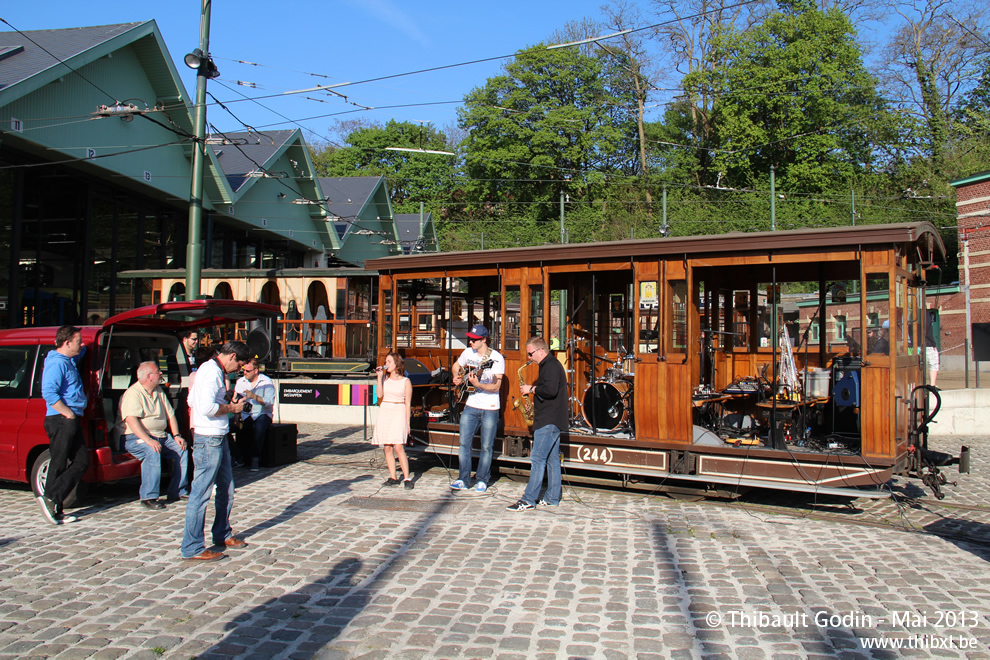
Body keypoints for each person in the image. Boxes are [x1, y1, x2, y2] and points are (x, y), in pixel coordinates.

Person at [181, 340, 250, 562]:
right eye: (239, 365)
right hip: (208, 437)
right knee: (200, 494)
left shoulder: (214, 370)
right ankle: (192, 546)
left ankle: (222, 533)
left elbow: (193, 399)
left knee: (227, 489)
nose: (238, 370)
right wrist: (233, 408)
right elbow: (206, 408)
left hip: (217, 436)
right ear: (232, 357)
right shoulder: (211, 372)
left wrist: (225, 398)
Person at [507, 337, 568, 511]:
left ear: (541, 351)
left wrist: (531, 389)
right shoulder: (550, 365)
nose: (529, 357)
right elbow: (551, 393)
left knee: (537, 459)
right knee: (552, 460)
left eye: (531, 353)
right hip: (552, 418)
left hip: (548, 421)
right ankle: (552, 498)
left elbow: (550, 390)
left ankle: (528, 499)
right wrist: (536, 402)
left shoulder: (550, 366)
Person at [38, 325, 89, 525]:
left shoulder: (69, 360)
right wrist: (67, 413)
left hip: (70, 417)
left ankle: (53, 502)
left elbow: (82, 351)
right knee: (59, 463)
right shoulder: (57, 364)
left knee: (80, 462)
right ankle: (51, 500)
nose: (82, 344)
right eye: (78, 341)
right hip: (61, 419)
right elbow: (49, 392)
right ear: (67, 343)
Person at [121, 361, 189, 509]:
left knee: (181, 448)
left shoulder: (158, 390)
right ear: (149, 376)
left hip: (161, 435)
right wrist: (148, 440)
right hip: (137, 436)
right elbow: (131, 420)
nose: (161, 374)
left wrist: (177, 435)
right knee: (152, 450)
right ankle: (148, 497)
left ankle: (178, 491)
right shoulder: (133, 393)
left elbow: (171, 415)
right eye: (158, 371)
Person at [450, 324, 505, 493]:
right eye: (470, 339)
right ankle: (463, 479)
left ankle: (482, 479)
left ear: (484, 340)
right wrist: (457, 377)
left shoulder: (495, 358)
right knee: (463, 443)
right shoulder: (468, 353)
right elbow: (456, 366)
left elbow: (496, 386)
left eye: (474, 340)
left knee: (486, 446)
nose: (471, 342)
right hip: (471, 404)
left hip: (490, 407)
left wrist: (478, 384)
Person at [372, 352, 414, 489]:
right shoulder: (384, 379)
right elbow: (379, 395)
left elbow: (408, 403)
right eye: (386, 361)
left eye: (389, 361)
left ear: (396, 363)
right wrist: (379, 378)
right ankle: (393, 477)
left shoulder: (405, 381)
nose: (386, 364)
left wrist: (408, 423)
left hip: (398, 410)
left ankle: (407, 478)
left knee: (398, 446)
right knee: (387, 446)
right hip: (386, 410)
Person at [234, 358, 276, 471]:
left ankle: (255, 460)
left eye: (248, 371)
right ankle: (240, 458)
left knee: (259, 429)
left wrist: (254, 397)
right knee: (238, 429)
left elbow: (269, 403)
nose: (245, 373)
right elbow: (236, 401)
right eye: (244, 370)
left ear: (255, 370)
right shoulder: (241, 382)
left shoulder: (266, 382)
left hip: (263, 413)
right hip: (246, 414)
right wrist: (237, 417)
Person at [926, 308, 940, 387]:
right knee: (933, 364)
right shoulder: (925, 314)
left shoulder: (912, 315)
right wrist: (934, 344)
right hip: (928, 344)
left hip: (916, 344)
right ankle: (932, 384)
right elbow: (928, 331)